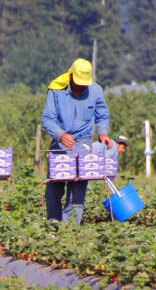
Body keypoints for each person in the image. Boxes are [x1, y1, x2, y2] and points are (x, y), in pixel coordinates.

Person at [41, 58, 112, 224]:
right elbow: (48, 119)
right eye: (78, 82)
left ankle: (70, 231)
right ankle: (53, 228)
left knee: (77, 191)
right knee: (53, 190)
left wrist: (103, 133)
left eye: (84, 83)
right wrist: (60, 135)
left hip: (83, 143)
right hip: (60, 143)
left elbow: (102, 116)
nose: (81, 86)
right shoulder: (56, 90)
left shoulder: (95, 91)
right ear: (70, 75)